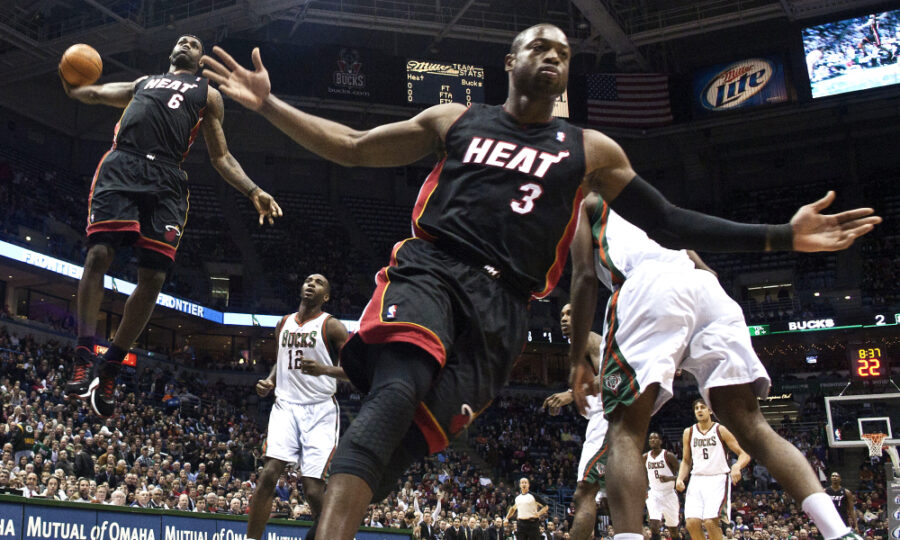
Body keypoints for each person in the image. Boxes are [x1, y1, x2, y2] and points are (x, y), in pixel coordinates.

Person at [202, 22, 879, 540]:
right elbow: (352, 147)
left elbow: (670, 221)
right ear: (511, 60)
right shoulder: (455, 120)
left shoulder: (592, 151)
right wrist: (269, 105)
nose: (554, 55)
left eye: (563, 51)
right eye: (540, 46)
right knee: (397, 390)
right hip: (433, 267)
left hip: (505, 307)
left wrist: (782, 236)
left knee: (400, 450)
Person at [567, 193, 871, 540]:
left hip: (645, 285)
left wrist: (577, 360)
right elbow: (702, 264)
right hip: (705, 288)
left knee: (624, 432)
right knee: (754, 426)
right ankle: (839, 532)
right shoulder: (638, 195)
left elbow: (584, 278)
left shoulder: (584, 201)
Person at [60, 34, 282, 417]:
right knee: (98, 255)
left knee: (154, 279)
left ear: (200, 60)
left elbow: (221, 157)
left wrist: (253, 190)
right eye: (182, 40)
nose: (187, 41)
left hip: (167, 178)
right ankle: (83, 354)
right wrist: (70, 80)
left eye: (195, 43)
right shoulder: (143, 83)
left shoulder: (208, 95)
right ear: (171, 52)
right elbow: (92, 93)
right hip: (122, 164)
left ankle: (112, 364)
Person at [246, 273, 349, 540]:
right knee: (269, 474)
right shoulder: (284, 323)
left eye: (319, 282)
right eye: (308, 280)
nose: (311, 284)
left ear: (326, 296)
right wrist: (270, 381)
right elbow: (281, 360)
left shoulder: (332, 327)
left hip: (321, 409)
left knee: (313, 490)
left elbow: (356, 372)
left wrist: (324, 369)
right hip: (286, 406)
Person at [543, 303, 605, 540]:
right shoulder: (576, 348)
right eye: (561, 314)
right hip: (599, 420)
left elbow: (611, 377)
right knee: (604, 499)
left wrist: (571, 394)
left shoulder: (589, 339)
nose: (564, 318)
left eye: (570, 313)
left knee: (584, 492)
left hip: (607, 418)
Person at [677, 401, 749, 540]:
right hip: (697, 479)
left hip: (718, 478)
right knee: (691, 523)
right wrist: (680, 478)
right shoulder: (689, 432)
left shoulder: (720, 430)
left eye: (702, 407)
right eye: (696, 408)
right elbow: (686, 461)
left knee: (710, 522)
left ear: (710, 411)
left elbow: (744, 454)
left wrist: (737, 466)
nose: (699, 410)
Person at [644, 432, 681, 540]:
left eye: (655, 438)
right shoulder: (645, 457)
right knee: (654, 525)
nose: (652, 440)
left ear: (660, 441)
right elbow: (643, 475)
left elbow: (683, 475)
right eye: (650, 438)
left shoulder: (668, 456)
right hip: (654, 493)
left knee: (673, 530)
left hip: (669, 494)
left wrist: (670, 478)